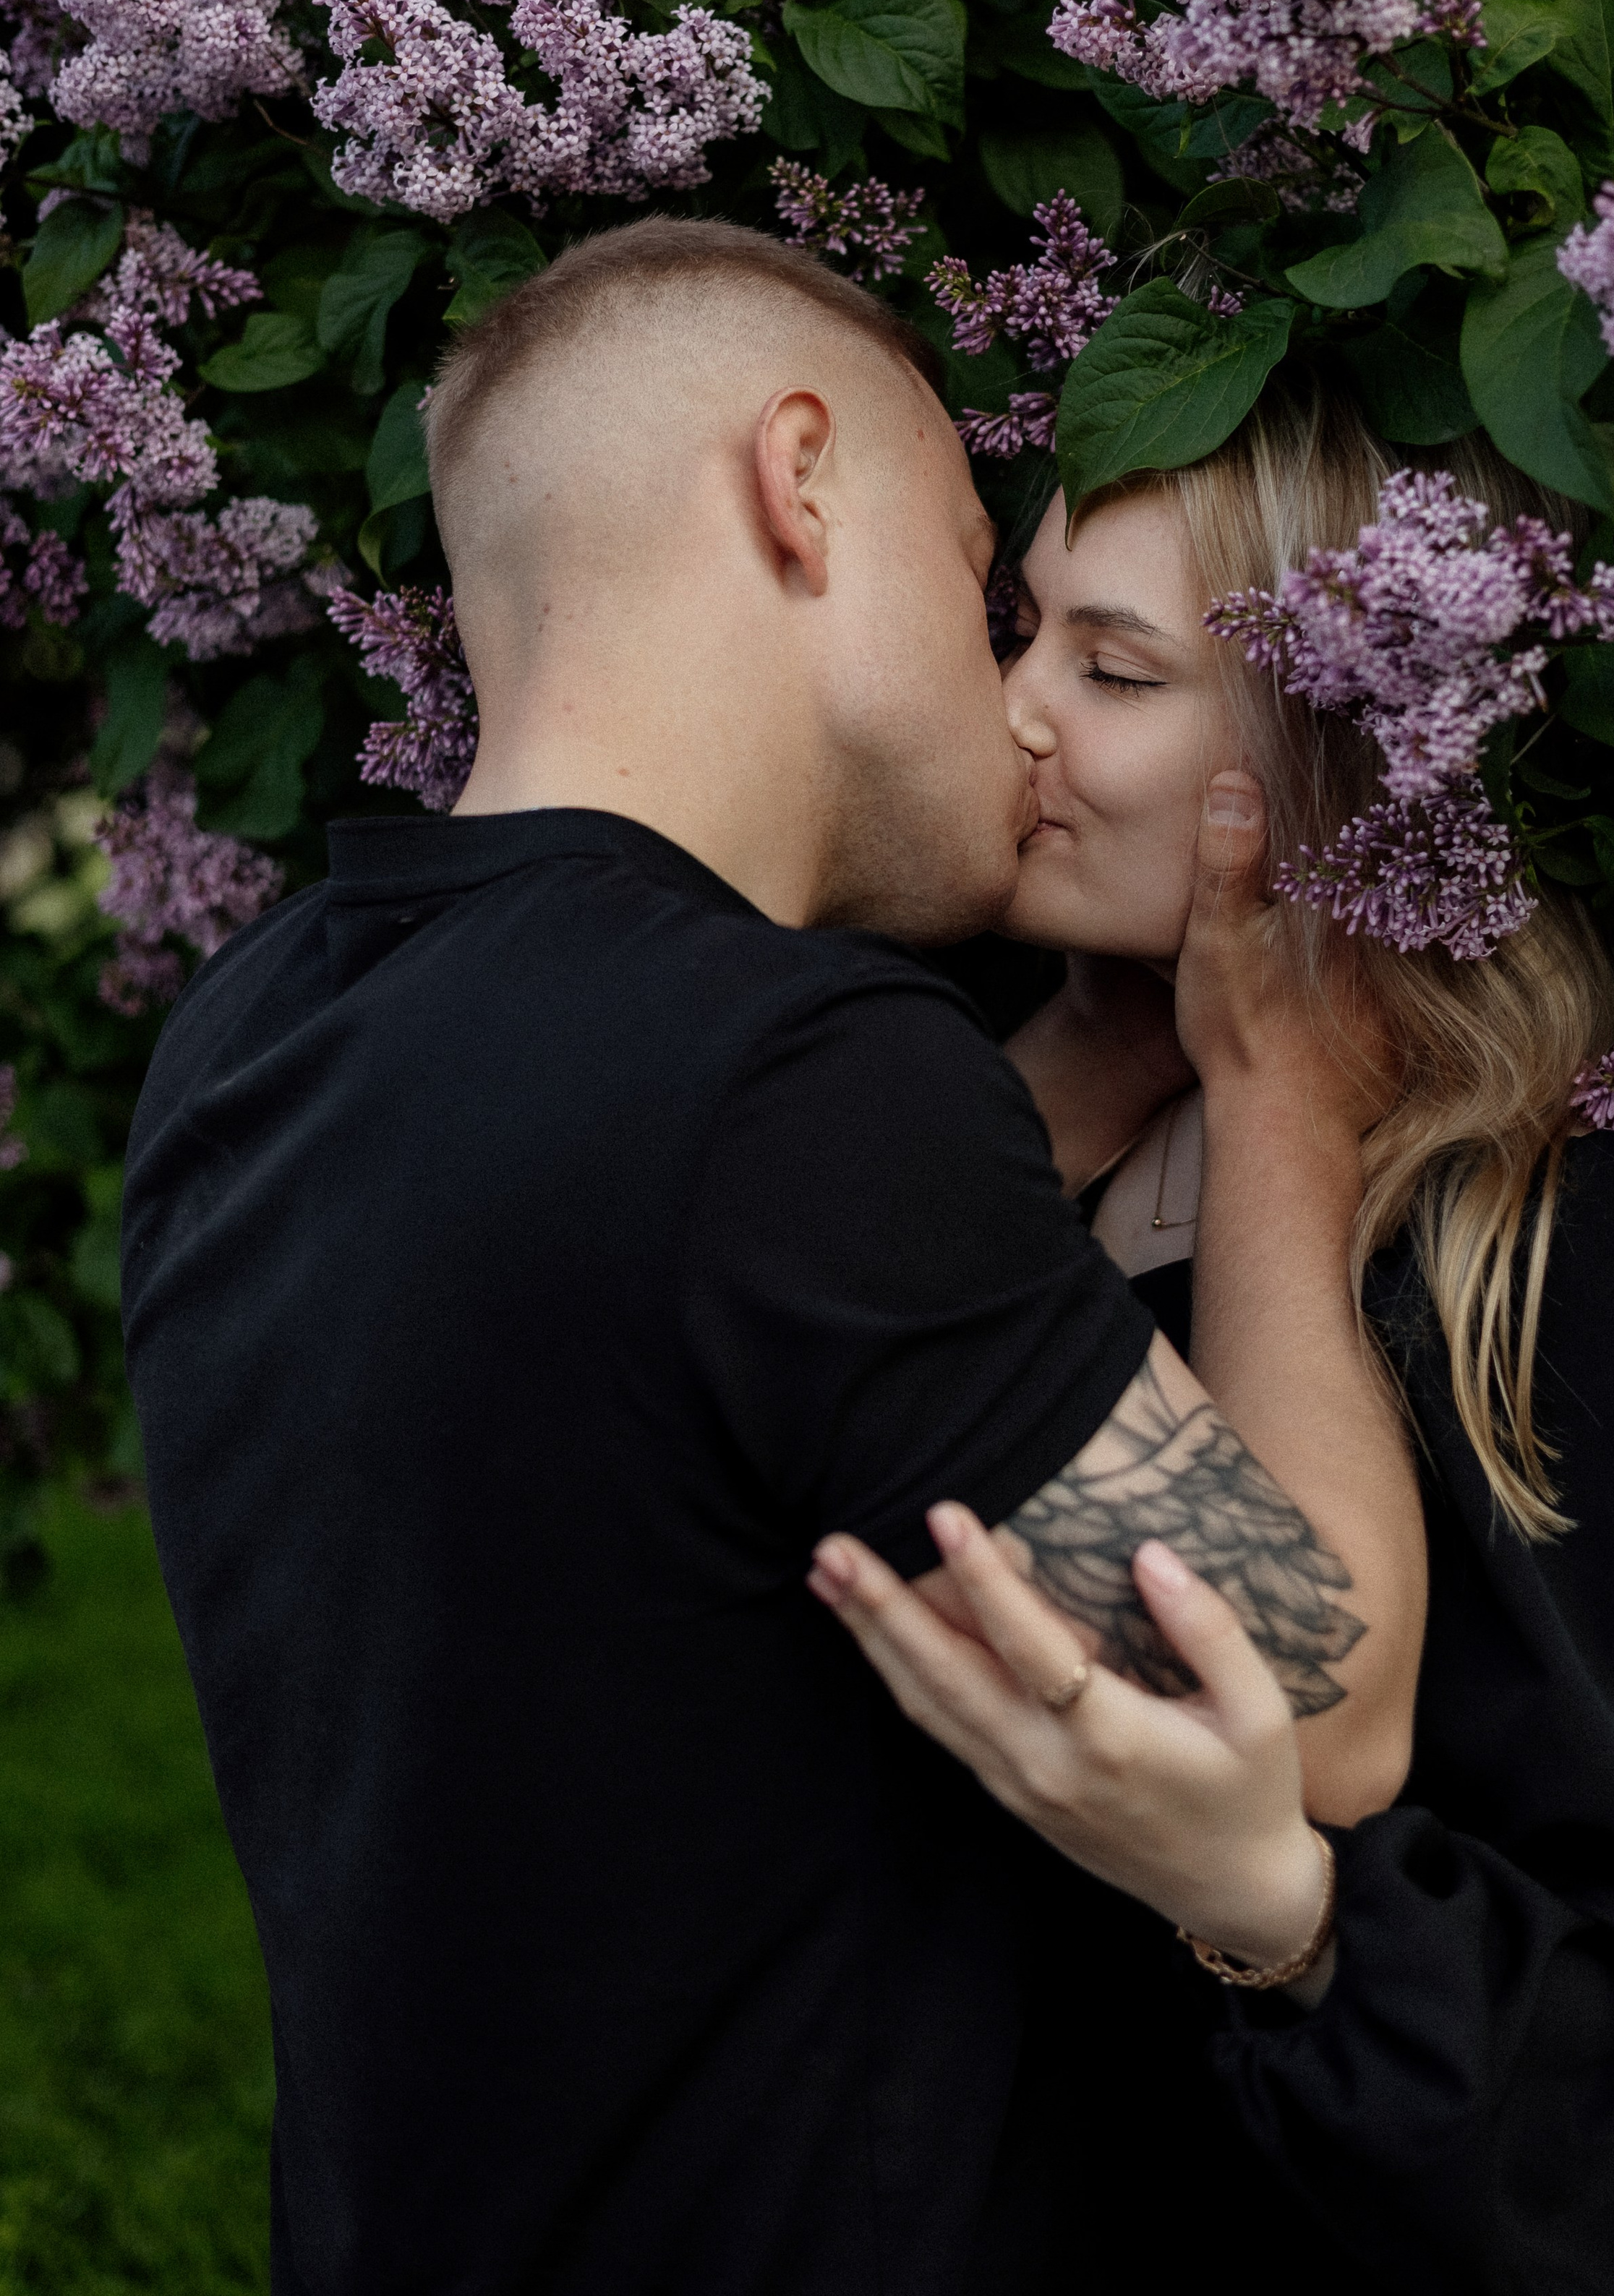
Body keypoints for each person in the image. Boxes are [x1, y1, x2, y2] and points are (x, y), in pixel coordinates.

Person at [120, 222, 1425, 2296]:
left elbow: (671, 1327)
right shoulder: (783, 1084)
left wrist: (1079, 1062)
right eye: (980, 575)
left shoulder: (251, 1039)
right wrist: (1276, 1086)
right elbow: (1318, 1701)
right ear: (798, 478)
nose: (1014, 700)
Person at [811, 377, 1614, 2296]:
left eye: (1117, 673)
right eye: (1017, 634)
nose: (1016, 711)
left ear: (1354, 761)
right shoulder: (941, 1113)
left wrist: (1299, 1939)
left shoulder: (1584, 1272)